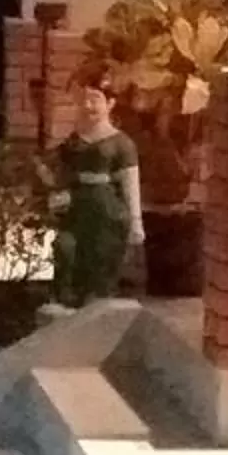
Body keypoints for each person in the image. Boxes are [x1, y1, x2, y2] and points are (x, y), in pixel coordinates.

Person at [48, 80, 145, 308]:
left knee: (100, 266)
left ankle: (96, 314)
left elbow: (130, 184)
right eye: (84, 100)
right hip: (76, 210)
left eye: (95, 100)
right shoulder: (74, 141)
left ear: (110, 104)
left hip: (107, 214)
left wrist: (135, 222)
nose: (88, 106)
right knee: (66, 250)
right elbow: (59, 172)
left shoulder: (122, 144)